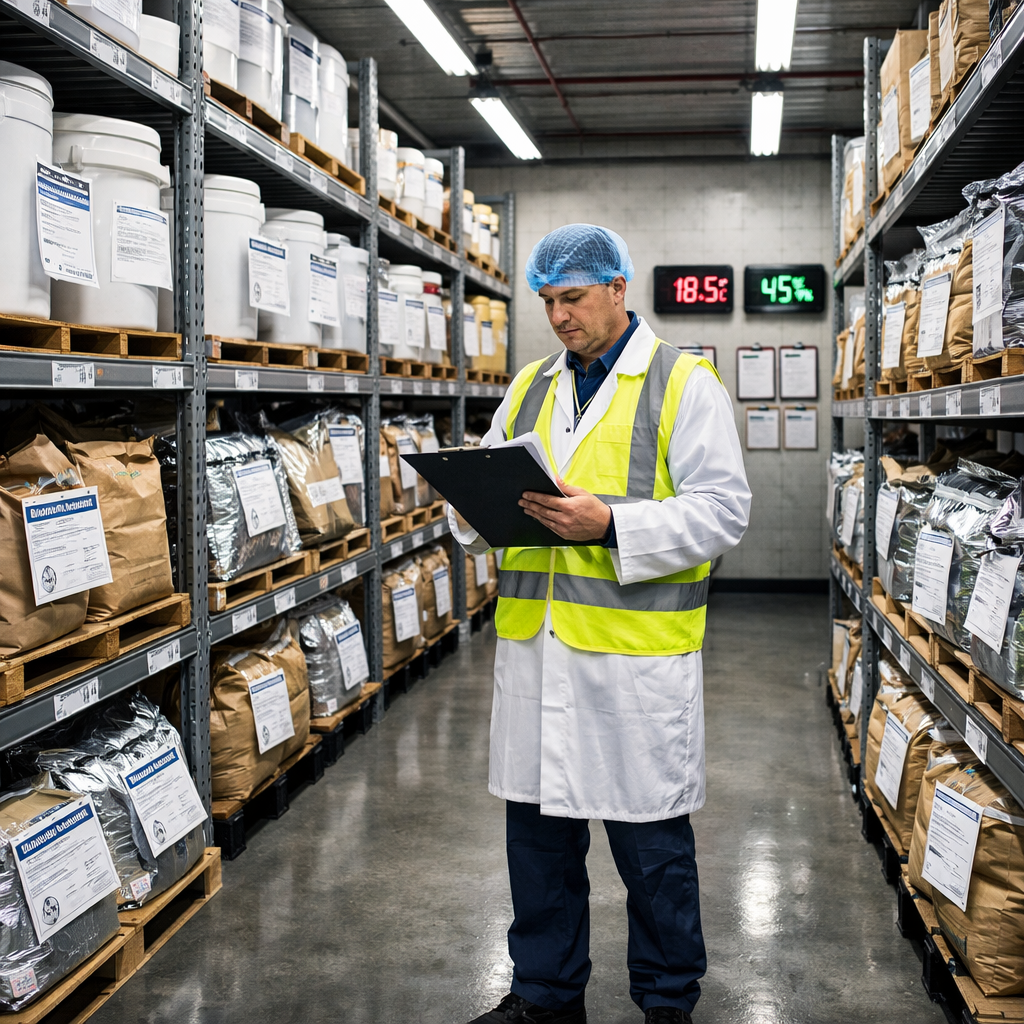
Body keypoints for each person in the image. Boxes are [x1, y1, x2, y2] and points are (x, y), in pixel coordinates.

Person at [450, 224, 751, 1024]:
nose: (558, 317)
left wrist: (611, 525)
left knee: (652, 854)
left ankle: (666, 1001)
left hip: (633, 666)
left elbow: (724, 512)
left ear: (619, 288)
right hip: (537, 658)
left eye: (573, 298)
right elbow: (485, 482)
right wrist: (471, 509)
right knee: (539, 851)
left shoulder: (683, 383)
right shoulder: (531, 387)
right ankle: (545, 997)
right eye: (547, 301)